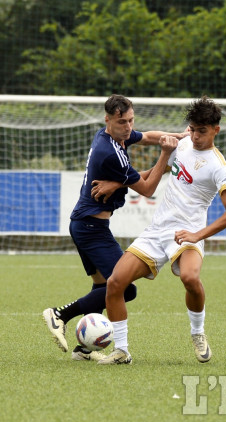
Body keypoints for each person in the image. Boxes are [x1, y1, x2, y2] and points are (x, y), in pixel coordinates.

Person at [42, 94, 185, 360]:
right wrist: (166, 154)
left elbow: (149, 136)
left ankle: (83, 349)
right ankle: (59, 314)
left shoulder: (109, 136)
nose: (128, 127)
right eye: (122, 122)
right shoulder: (111, 153)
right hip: (90, 228)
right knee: (125, 287)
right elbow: (148, 188)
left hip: (85, 225)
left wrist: (180, 136)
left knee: (103, 288)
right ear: (108, 120)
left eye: (131, 120)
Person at [98, 95, 226, 365]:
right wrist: (119, 183)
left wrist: (197, 236)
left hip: (188, 233)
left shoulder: (218, 167)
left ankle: (197, 333)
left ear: (215, 131)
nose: (195, 136)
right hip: (158, 230)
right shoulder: (183, 144)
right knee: (115, 282)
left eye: (202, 131)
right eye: (193, 129)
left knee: (189, 278)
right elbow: (158, 171)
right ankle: (122, 351)